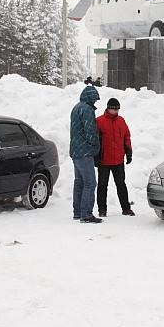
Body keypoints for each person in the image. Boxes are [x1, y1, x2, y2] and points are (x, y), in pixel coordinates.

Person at [95, 97, 134, 216]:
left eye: (117, 110)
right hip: (104, 160)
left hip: (118, 160)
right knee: (102, 186)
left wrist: (128, 152)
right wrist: (96, 157)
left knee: (121, 184)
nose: (116, 112)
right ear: (108, 109)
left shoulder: (121, 120)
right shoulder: (99, 121)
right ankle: (102, 210)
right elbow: (95, 140)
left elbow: (126, 137)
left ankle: (126, 208)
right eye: (113, 110)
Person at [70, 84, 102, 223]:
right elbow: (90, 131)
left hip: (75, 151)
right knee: (90, 183)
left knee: (79, 182)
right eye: (95, 99)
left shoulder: (76, 107)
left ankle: (77, 212)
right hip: (85, 152)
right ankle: (86, 214)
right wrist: (96, 146)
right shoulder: (87, 109)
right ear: (90, 97)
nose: (95, 101)